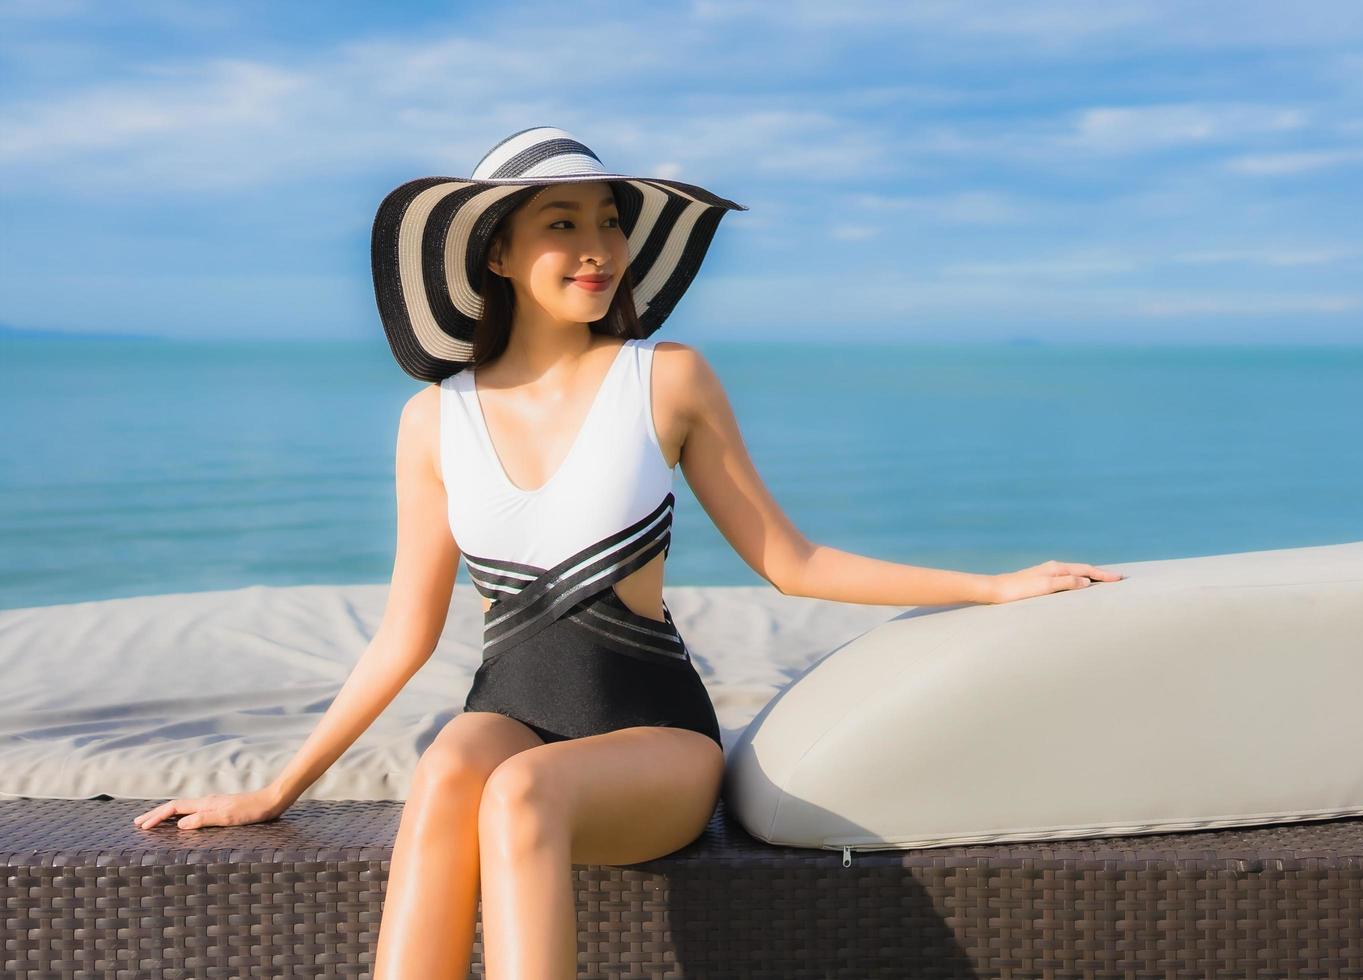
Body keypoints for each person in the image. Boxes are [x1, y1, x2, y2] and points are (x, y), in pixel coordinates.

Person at [130, 126, 1123, 978]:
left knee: (520, 791)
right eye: (562, 223)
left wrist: (995, 586)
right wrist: (272, 790)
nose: (598, 247)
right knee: (446, 769)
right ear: (498, 254)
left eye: (607, 221)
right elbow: (403, 632)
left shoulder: (668, 379)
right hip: (506, 713)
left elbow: (791, 560)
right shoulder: (433, 420)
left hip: (654, 736)